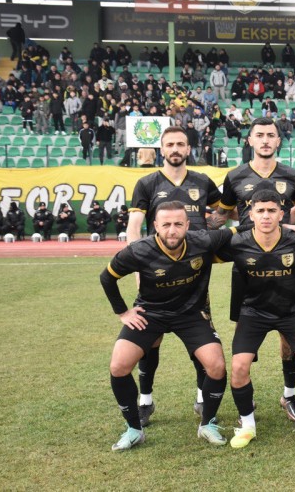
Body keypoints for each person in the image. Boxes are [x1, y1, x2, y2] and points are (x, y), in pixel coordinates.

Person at [212, 118, 295, 422]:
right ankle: (244, 397)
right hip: (246, 263)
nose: (265, 140)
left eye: (270, 135)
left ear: (278, 141)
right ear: (249, 140)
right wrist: (188, 234)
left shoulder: (292, 175)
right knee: (246, 331)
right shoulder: (235, 176)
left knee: (288, 335)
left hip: (283, 260)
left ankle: (288, 394)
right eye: (259, 135)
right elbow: (221, 216)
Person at [100, 201, 234, 451]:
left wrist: (288, 227)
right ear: (156, 226)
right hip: (150, 313)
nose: (172, 230)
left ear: (187, 225)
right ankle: (133, 429)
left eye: (178, 224)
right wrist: (123, 312)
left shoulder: (203, 240)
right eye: (166, 225)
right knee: (119, 366)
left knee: (216, 365)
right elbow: (107, 277)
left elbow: (245, 230)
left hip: (190, 314)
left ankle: (207, 424)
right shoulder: (139, 250)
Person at [219, 190, 295, 448]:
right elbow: (203, 253)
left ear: (281, 214)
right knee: (238, 368)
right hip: (253, 313)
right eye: (260, 211)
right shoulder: (237, 243)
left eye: (272, 211)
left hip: (292, 312)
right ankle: (247, 426)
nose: (266, 216)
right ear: (251, 215)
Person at [126, 127, 222, 426]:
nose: (175, 149)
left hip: (195, 275)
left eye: (181, 143)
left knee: (200, 338)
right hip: (155, 273)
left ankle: (201, 397)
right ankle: (145, 400)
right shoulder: (147, 183)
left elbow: (224, 212)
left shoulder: (202, 181)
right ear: (162, 149)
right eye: (169, 144)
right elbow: (134, 227)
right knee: (150, 340)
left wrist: (209, 231)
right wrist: (138, 267)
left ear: (189, 149)